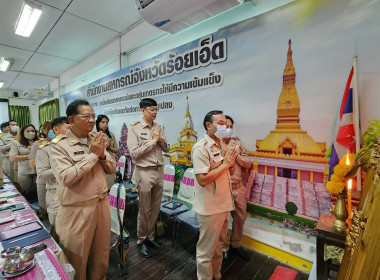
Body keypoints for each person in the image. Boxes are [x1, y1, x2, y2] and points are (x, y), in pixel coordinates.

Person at [50, 100, 116, 280]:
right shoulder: (58, 145)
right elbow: (66, 178)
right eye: (86, 116)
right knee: (76, 261)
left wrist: (102, 154)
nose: (91, 120)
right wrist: (93, 155)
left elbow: (111, 168)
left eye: (93, 116)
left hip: (101, 205)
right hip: (77, 210)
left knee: (101, 258)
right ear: (71, 119)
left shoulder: (95, 138)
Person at [192, 110, 237, 280]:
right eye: (220, 123)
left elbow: (229, 170)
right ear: (208, 126)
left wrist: (231, 159)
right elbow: (202, 179)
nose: (224, 126)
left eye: (225, 123)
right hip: (210, 207)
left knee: (219, 246)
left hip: (224, 203)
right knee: (206, 251)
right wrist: (225, 164)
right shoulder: (200, 148)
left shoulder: (223, 145)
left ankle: (216, 275)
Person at [127, 98, 170, 258]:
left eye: (156, 109)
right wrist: (153, 140)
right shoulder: (135, 128)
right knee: (144, 209)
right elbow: (135, 153)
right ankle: (141, 240)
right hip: (144, 171)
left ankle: (150, 237)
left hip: (159, 170)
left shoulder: (158, 127)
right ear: (143, 110)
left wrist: (160, 138)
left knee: (155, 208)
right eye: (151, 109)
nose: (155, 112)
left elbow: (166, 148)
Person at [222, 115, 252, 261]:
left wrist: (237, 156)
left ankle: (235, 244)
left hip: (238, 187)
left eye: (230, 126)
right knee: (224, 220)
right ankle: (224, 247)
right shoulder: (216, 144)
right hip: (224, 188)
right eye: (225, 126)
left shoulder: (238, 143)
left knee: (240, 217)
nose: (228, 129)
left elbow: (248, 163)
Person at [36, 117, 70, 241]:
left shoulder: (77, 146)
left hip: (75, 195)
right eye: (68, 127)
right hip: (57, 195)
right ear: (55, 129)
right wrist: (61, 168)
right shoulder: (45, 149)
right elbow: (41, 175)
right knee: (58, 235)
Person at [29, 121, 51, 220]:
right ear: (45, 130)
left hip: (59, 182)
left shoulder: (63, 143)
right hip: (44, 181)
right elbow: (32, 164)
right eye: (50, 129)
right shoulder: (38, 144)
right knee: (45, 208)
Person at [9, 124, 38, 193]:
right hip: (24, 172)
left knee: (39, 193)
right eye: (28, 131)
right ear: (23, 132)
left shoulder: (39, 142)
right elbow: (12, 158)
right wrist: (29, 156)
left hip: (38, 171)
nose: (31, 133)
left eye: (32, 131)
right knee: (26, 193)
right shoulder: (16, 143)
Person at [96, 115, 118, 189]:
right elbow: (96, 151)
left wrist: (109, 147)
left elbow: (116, 150)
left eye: (107, 122)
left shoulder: (111, 134)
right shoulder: (93, 135)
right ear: (98, 123)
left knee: (110, 185)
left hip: (111, 161)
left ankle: (109, 199)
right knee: (101, 186)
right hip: (99, 162)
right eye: (103, 122)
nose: (105, 124)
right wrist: (106, 145)